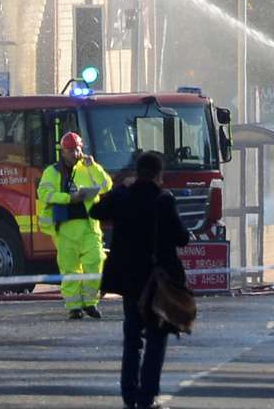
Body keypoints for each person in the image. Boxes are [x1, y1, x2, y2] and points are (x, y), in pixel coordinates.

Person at [91, 152, 188, 409]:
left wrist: (120, 188)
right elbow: (182, 238)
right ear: (159, 176)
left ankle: (129, 396)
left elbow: (95, 210)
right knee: (157, 339)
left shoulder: (124, 197)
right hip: (157, 284)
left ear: (137, 173)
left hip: (130, 282)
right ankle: (147, 399)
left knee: (132, 339)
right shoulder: (163, 200)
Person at [36, 130, 112, 319]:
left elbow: (106, 185)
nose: (76, 154)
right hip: (65, 228)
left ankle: (90, 303)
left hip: (88, 227)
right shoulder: (52, 172)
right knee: (70, 269)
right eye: (71, 151)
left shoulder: (88, 167)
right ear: (63, 152)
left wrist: (94, 167)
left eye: (78, 150)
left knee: (95, 262)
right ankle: (74, 307)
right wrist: (70, 198)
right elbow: (45, 194)